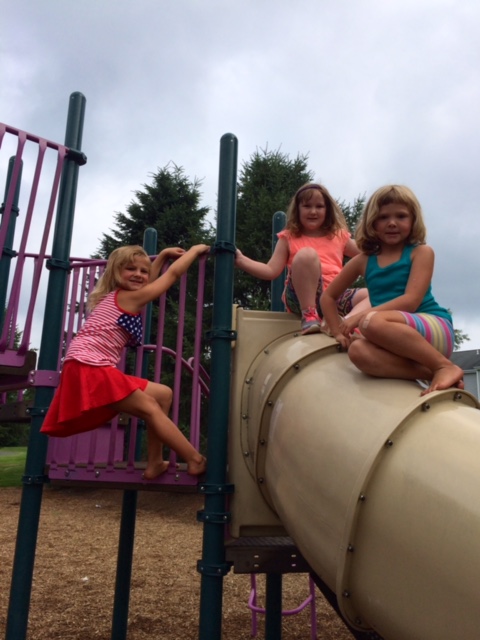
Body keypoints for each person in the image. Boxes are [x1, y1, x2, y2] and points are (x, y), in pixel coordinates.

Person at [41, 243, 209, 479]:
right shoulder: (127, 297)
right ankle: (195, 459)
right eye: (131, 269)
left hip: (87, 364)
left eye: (143, 271)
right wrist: (194, 251)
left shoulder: (116, 297)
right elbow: (172, 275)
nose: (139, 275)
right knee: (150, 407)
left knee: (162, 394)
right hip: (89, 366)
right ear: (116, 272)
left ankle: (154, 462)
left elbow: (147, 284)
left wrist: (161, 256)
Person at [320, 185, 464, 395]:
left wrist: (358, 317)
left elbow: (410, 301)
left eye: (401, 216)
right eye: (383, 217)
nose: (392, 223)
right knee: (357, 350)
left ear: (413, 220)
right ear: (372, 223)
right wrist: (336, 332)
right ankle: (431, 372)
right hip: (392, 336)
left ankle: (444, 365)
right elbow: (328, 296)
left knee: (370, 322)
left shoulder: (421, 252)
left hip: (433, 329)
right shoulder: (363, 260)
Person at [235, 183, 370, 334]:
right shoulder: (289, 237)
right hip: (300, 297)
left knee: (372, 295)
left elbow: (369, 253)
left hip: (333, 296)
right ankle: (309, 315)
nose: (313, 211)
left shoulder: (338, 236)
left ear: (327, 210)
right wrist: (241, 260)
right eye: (307, 206)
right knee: (307, 255)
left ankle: (345, 322)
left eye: (319, 206)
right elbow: (270, 270)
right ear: (297, 209)